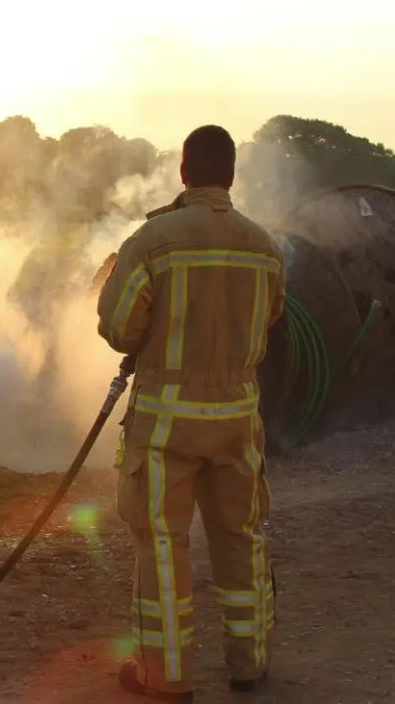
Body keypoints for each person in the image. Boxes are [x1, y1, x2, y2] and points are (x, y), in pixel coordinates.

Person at [95, 125, 286, 701]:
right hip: (236, 420)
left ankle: (167, 677)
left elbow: (118, 325)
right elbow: (272, 317)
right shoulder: (263, 246)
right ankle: (249, 664)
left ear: (183, 172)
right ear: (230, 176)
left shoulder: (154, 241)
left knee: (161, 543)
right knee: (241, 536)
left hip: (167, 423)